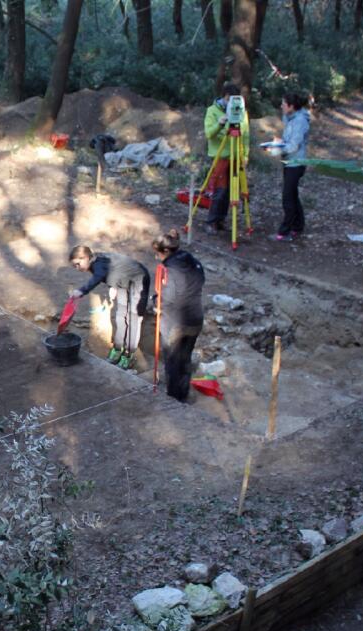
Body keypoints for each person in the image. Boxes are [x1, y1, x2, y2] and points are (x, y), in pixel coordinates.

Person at [68, 246, 150, 370]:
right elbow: (112, 270)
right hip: (122, 281)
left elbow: (99, 275)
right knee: (121, 316)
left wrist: (81, 291)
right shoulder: (95, 261)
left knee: (133, 319)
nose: (77, 268)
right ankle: (117, 348)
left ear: (86, 258)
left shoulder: (98, 264)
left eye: (78, 264)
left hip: (138, 279)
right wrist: (113, 286)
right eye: (74, 266)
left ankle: (128, 354)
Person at [151, 231, 205, 403]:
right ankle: (184, 392)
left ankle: (174, 400)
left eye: (157, 253)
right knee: (185, 357)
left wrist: (156, 301)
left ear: (165, 251)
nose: (156, 256)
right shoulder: (193, 262)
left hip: (175, 321)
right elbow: (199, 283)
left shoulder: (170, 269)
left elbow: (171, 296)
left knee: (173, 361)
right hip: (196, 318)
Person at [202, 82, 251, 233]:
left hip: (236, 157)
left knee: (231, 191)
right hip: (221, 156)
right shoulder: (212, 111)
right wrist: (220, 123)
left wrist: (245, 154)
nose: (231, 104)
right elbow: (209, 134)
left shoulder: (241, 112)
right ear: (225, 97)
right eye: (229, 100)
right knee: (220, 190)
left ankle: (221, 220)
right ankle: (211, 222)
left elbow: (246, 135)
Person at [271, 92, 311, 241]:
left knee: (287, 197)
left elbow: (294, 145)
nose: (281, 106)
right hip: (289, 162)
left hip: (296, 162)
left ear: (291, 106)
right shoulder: (289, 117)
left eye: (284, 103)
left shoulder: (300, 121)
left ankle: (284, 231)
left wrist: (277, 149)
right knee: (293, 195)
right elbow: (287, 139)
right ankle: (298, 226)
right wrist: (278, 143)